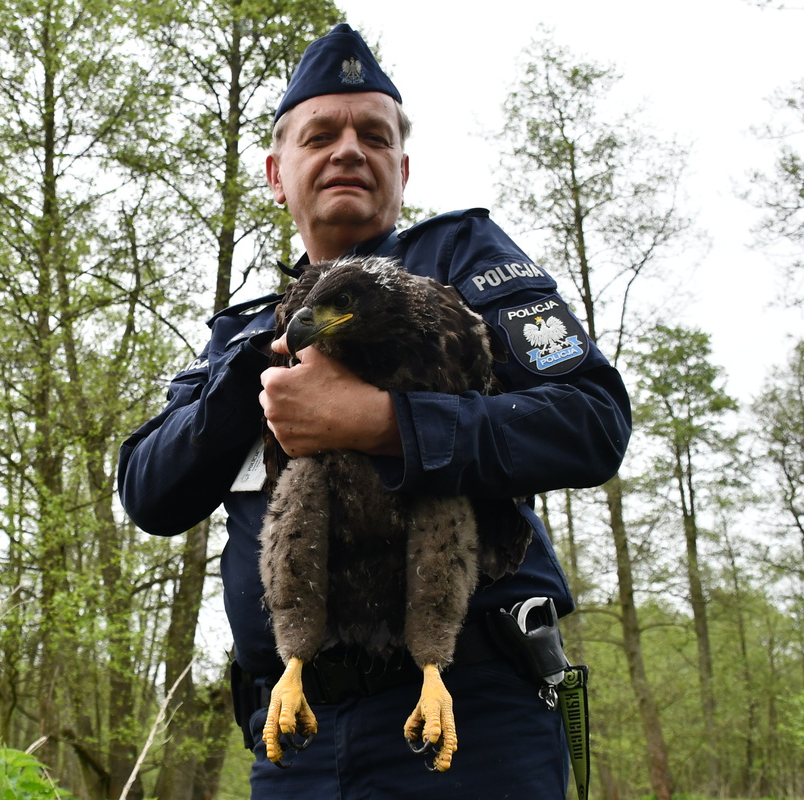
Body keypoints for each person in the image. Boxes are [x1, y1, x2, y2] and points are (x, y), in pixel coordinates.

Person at [117, 22, 630, 800]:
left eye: (374, 135)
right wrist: (255, 375)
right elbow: (149, 492)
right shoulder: (248, 331)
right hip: (294, 734)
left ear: (402, 167)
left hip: (472, 718)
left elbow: (590, 422)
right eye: (320, 134)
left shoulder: (464, 261)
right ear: (276, 173)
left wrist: (385, 423)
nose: (349, 149)